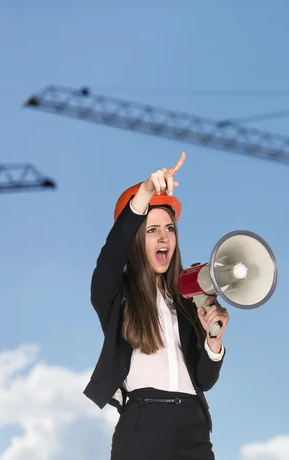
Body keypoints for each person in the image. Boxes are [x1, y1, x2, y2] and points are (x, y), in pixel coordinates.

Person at [83, 153, 229, 460]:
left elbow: (204, 380)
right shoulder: (115, 295)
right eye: (152, 230)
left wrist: (213, 342)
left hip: (193, 426)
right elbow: (111, 255)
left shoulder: (187, 300)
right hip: (142, 425)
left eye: (170, 228)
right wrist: (146, 192)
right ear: (135, 239)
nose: (164, 237)